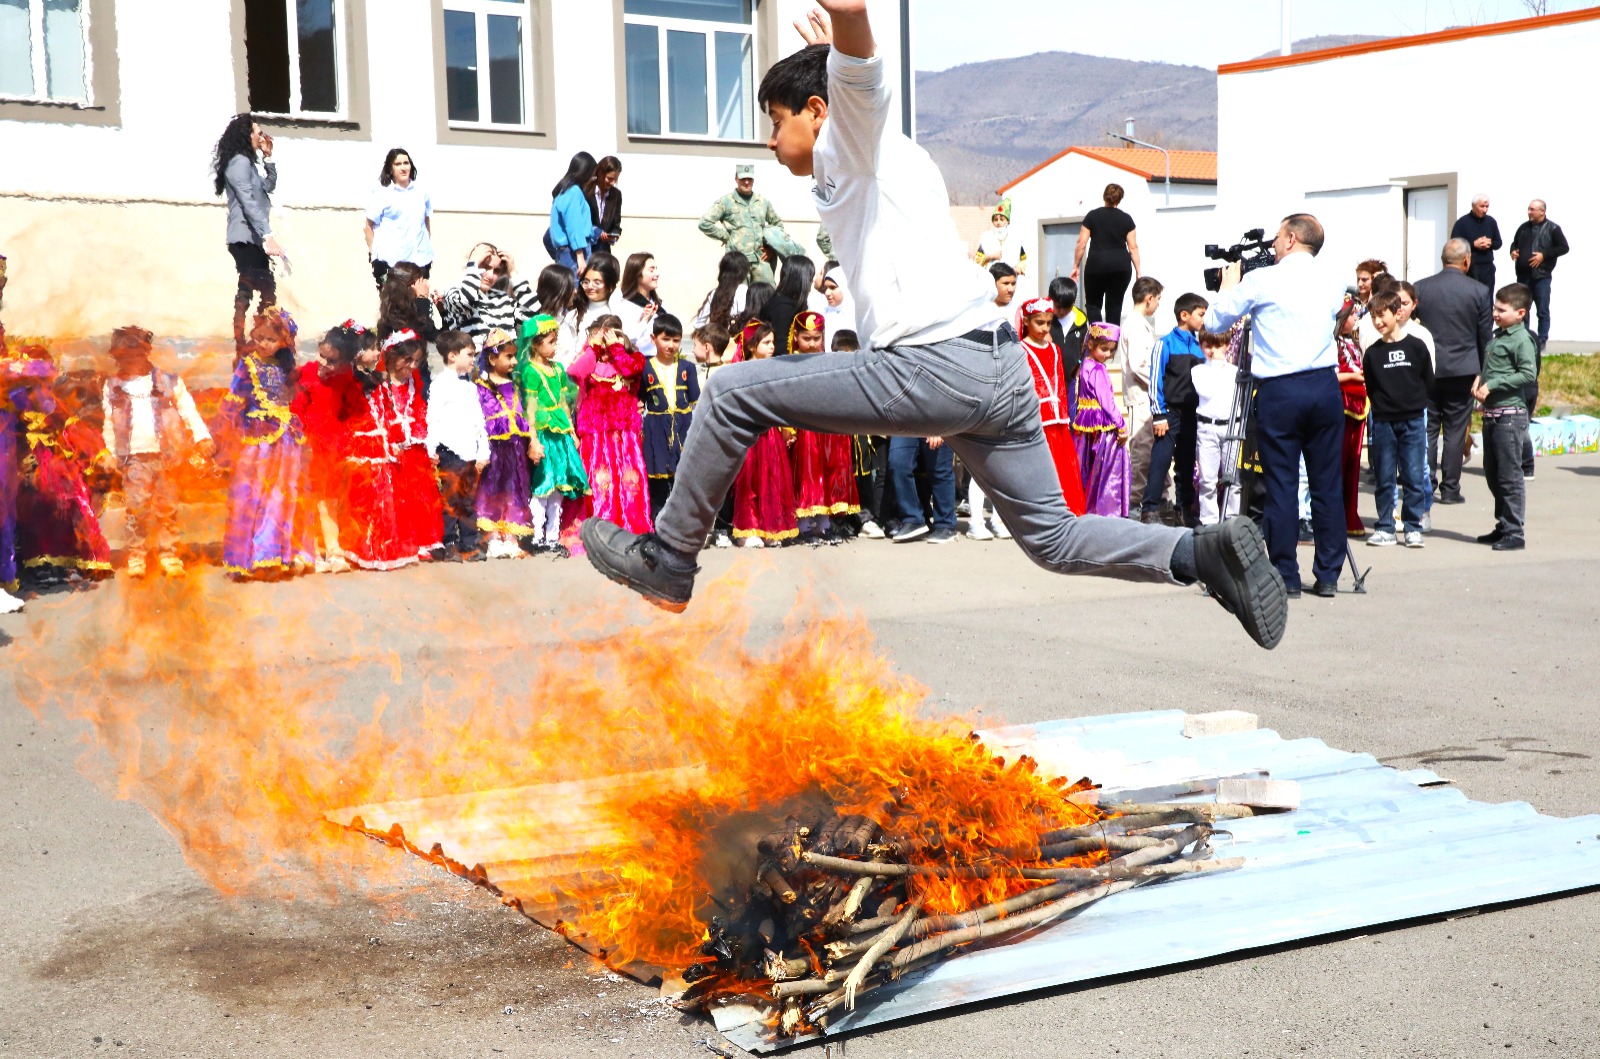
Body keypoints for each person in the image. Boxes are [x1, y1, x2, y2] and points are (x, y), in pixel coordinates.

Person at [580, 2, 1286, 653]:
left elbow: (860, 67)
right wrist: (830, 52)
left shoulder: (857, 136)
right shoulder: (867, 150)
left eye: (774, 121)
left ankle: (669, 559)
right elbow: (846, 80)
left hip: (934, 364)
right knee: (1054, 539)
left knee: (732, 392)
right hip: (999, 368)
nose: (768, 141)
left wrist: (849, 20)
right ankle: (1200, 553)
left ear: (817, 111)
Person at [1205, 213, 1347, 600]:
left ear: (1289, 239)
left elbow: (1217, 320)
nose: (1271, 247)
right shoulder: (1332, 279)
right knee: (1326, 483)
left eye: (1276, 238)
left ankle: (1285, 574)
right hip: (1323, 384)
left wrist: (1228, 286)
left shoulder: (1262, 279)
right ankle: (1329, 574)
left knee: (1282, 484)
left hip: (1280, 389)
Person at [100, 326, 216, 578]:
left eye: (135, 354)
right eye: (124, 356)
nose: (130, 360)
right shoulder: (113, 386)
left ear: (146, 352)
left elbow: (189, 411)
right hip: (134, 457)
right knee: (137, 508)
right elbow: (108, 422)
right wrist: (109, 452)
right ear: (117, 358)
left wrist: (202, 437)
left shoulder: (170, 381)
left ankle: (168, 553)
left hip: (168, 456)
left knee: (167, 508)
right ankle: (137, 555)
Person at [9, 341, 113, 584]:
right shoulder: (14, 402)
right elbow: (11, 434)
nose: (40, 386)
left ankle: (74, 559)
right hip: (26, 459)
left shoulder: (51, 401)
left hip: (55, 459)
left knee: (71, 497)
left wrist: (97, 452)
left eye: (44, 379)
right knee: (36, 501)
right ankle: (42, 561)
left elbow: (71, 426)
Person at [221, 307, 314, 580]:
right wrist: (223, 440)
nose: (264, 343)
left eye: (271, 340)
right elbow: (232, 404)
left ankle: (273, 556)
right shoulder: (246, 366)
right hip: (258, 442)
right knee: (252, 495)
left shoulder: (285, 369)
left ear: (283, 343)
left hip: (286, 441)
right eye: (259, 337)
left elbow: (294, 401)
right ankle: (248, 559)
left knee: (281, 495)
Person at [1413, 238, 1492, 506]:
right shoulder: (1479, 291)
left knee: (1428, 428)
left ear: (1442, 259)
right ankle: (1450, 489)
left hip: (1429, 369)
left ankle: (1426, 484)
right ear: (1467, 260)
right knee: (1457, 430)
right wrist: (1483, 371)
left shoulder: (1421, 288)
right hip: (1463, 369)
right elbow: (1485, 336)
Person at [289, 321, 364, 573]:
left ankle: (333, 548)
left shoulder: (346, 382)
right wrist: (299, 437)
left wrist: (347, 440)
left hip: (333, 446)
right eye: (322, 356)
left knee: (330, 499)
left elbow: (355, 413)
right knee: (307, 497)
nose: (324, 364)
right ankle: (307, 549)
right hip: (308, 445)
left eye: (332, 361)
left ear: (346, 363)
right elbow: (296, 407)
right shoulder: (307, 374)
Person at [1361, 290, 1433, 549]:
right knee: (1384, 476)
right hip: (1383, 423)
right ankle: (1385, 527)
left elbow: (1428, 380)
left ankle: (1413, 527)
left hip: (1413, 420)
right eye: (1373, 317)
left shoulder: (1416, 346)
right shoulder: (1372, 354)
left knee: (1413, 476)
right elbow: (1371, 386)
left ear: (1397, 313)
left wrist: (1414, 405)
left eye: (1382, 315)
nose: (1378, 321)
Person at [570, 316, 651, 535]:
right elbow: (575, 372)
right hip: (596, 434)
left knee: (628, 481)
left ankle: (628, 525)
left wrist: (616, 346)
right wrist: (592, 348)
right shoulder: (591, 359)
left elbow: (630, 370)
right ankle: (598, 527)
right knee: (599, 481)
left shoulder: (633, 357)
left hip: (625, 433)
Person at [1474, 284, 1539, 552]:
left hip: (1509, 417)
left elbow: (1527, 374)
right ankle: (1503, 524)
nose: (1495, 313)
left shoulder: (1521, 340)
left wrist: (1494, 384)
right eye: (1495, 308)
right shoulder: (1498, 336)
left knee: (1510, 477)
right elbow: (1492, 368)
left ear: (1520, 313)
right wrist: (1480, 381)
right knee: (1492, 473)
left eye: (1502, 309)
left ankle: (1515, 532)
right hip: (1492, 414)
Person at [785, 310, 859, 539]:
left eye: (817, 338)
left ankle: (824, 523)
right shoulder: (788, 363)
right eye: (807, 338)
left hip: (826, 428)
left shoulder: (828, 360)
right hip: (803, 428)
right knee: (806, 477)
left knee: (827, 474)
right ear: (796, 336)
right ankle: (805, 524)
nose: (812, 343)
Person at [519, 314, 589, 556]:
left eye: (555, 341)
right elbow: (530, 406)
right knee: (543, 484)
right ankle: (536, 535)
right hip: (544, 432)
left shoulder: (558, 369)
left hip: (560, 432)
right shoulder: (531, 371)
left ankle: (552, 535)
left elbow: (562, 401)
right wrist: (534, 439)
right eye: (549, 341)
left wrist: (571, 430)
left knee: (559, 484)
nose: (554, 346)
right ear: (535, 344)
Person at [213, 113, 282, 354]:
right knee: (258, 286)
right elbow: (248, 202)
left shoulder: (248, 163)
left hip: (253, 238)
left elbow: (268, 187)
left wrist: (268, 158)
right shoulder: (238, 163)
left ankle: (257, 337)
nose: (261, 136)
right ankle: (244, 340)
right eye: (257, 132)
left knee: (261, 287)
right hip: (244, 237)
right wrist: (268, 235)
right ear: (246, 135)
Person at [728, 323, 797, 547]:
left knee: (771, 480)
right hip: (749, 433)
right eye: (766, 342)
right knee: (748, 483)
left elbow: (781, 402)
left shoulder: (774, 368)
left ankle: (770, 528)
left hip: (770, 434)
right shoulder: (740, 370)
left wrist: (787, 427)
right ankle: (748, 529)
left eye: (773, 342)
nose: (772, 347)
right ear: (752, 345)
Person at [1017, 296, 1086, 519]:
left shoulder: (1055, 350)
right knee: (1042, 467)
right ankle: (1041, 511)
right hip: (1037, 418)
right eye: (1040, 323)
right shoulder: (1021, 350)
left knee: (1064, 467)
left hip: (1058, 419)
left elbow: (1062, 385)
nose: (1045, 328)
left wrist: (1065, 413)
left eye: (1048, 323)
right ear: (1026, 321)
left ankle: (1064, 509)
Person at [1141, 293, 1206, 526]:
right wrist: (1159, 415)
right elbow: (1155, 379)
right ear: (1184, 315)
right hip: (1168, 414)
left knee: (1187, 463)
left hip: (1192, 415)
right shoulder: (1165, 344)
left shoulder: (1200, 348)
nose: (1203, 319)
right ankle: (1149, 509)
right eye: (1200, 314)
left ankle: (1184, 510)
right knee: (1161, 460)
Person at [379, 330, 444, 561]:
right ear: (391, 355)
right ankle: (405, 541)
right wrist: (390, 441)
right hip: (393, 449)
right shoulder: (382, 383)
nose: (412, 366)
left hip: (414, 448)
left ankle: (424, 539)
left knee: (421, 495)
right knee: (399, 497)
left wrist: (427, 443)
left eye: (416, 361)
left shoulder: (413, 383)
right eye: (408, 360)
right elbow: (381, 414)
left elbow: (419, 411)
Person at [426, 330, 490, 562]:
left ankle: (469, 543)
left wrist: (483, 450)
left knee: (467, 501)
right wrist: (430, 447)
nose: (474, 359)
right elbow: (433, 418)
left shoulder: (470, 387)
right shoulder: (440, 383)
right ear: (452, 355)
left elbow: (478, 421)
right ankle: (449, 542)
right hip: (450, 451)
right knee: (451, 499)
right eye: (470, 354)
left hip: (469, 454)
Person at [471, 329, 535, 559]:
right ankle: (493, 536)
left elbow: (525, 412)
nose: (514, 361)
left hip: (515, 447)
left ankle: (511, 534)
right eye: (508, 356)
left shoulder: (515, 384)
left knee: (513, 488)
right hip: (494, 448)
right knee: (493, 488)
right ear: (492, 358)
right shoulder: (480, 386)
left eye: (515, 356)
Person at [641, 313, 700, 522]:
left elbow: (695, 400)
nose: (671, 345)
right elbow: (639, 400)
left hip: (683, 426)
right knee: (657, 476)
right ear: (653, 338)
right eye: (666, 339)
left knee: (682, 476)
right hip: (656, 427)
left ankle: (682, 523)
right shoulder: (644, 367)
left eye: (676, 340)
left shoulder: (687, 368)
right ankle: (657, 522)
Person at [699, 164, 795, 286]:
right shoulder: (726, 202)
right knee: (737, 296)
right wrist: (727, 237)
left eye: (749, 179)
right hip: (737, 261)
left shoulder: (762, 202)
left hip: (760, 260)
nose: (746, 182)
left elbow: (778, 225)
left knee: (767, 296)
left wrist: (771, 248)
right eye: (743, 179)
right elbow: (704, 223)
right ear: (736, 179)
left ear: (753, 180)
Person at [1071, 321, 1130, 517]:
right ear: (1090, 345)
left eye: (1111, 351)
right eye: (1104, 349)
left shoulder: (1084, 365)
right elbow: (1107, 403)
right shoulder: (1097, 370)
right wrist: (1121, 426)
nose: (1107, 355)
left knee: (1086, 469)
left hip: (1084, 425)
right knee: (1106, 472)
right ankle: (1106, 511)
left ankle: (1085, 508)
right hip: (1102, 427)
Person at [1119, 276, 1164, 511]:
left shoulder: (1139, 323)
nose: (1157, 304)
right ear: (1148, 299)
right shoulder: (1135, 325)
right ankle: (1136, 502)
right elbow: (1138, 365)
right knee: (1141, 450)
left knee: (1153, 449)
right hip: (1141, 396)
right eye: (1157, 300)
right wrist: (1160, 382)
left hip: (1147, 396)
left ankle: (1159, 498)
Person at [439, 244, 537, 351]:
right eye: (485, 267)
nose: (490, 276)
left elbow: (533, 316)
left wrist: (513, 272)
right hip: (473, 365)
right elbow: (466, 300)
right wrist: (472, 265)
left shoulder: (503, 299)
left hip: (506, 364)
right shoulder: (454, 293)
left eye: (496, 271)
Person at [1190, 329, 1243, 526]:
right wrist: (1215, 364)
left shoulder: (1235, 371)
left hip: (1232, 427)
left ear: (1227, 345)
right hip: (1207, 428)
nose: (1213, 350)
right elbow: (1207, 391)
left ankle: (1231, 519)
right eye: (1208, 346)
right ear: (1201, 346)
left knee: (1233, 479)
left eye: (1218, 345)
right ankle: (1209, 521)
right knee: (1207, 479)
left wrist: (1222, 365)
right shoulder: (1199, 370)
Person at [365, 147, 434, 289]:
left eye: (406, 163)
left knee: (420, 307)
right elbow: (368, 227)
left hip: (421, 262)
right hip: (394, 265)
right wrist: (375, 256)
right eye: (397, 164)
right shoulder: (382, 195)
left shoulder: (421, 194)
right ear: (391, 169)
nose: (403, 168)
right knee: (396, 309)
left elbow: (426, 224)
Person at [1072, 184, 1139, 326]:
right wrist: (1139, 272)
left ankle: (1098, 340)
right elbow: (1133, 247)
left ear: (1104, 196)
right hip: (1121, 267)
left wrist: (1076, 266)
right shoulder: (1127, 219)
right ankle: (1111, 344)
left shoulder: (1092, 216)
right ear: (1119, 200)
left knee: (1093, 305)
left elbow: (1081, 243)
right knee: (1114, 306)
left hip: (1097, 266)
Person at [1510, 199, 1568, 352]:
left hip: (1541, 276)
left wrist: (1544, 255)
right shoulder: (1523, 228)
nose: (1529, 212)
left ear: (1542, 211)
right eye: (1528, 209)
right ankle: (1524, 338)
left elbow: (1564, 247)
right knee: (1522, 309)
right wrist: (1513, 251)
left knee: (1542, 309)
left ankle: (1542, 339)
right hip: (1523, 276)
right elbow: (1514, 243)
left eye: (1532, 209)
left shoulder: (1553, 228)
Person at [1332, 300, 1368, 538]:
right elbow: (1333, 376)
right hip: (1341, 404)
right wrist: (1356, 376)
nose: (1356, 319)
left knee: (1352, 464)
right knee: (1339, 462)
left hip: (1359, 405)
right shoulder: (1330, 344)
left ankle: (1349, 515)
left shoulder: (1353, 343)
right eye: (1352, 315)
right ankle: (1335, 517)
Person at [546, 152, 598, 275]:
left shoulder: (564, 190)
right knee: (574, 289)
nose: (592, 179)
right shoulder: (573, 192)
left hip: (568, 250)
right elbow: (574, 225)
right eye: (592, 175)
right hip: (574, 251)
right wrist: (580, 255)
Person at [1450, 196, 1501, 291]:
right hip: (1469, 267)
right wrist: (1473, 244)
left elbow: (1498, 243)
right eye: (1482, 206)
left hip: (1487, 267)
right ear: (1473, 206)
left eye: (1487, 206)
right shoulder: (1462, 222)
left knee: (1487, 297)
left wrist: (1490, 243)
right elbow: (1454, 244)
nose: (1485, 210)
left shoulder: (1491, 221)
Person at [693, 250, 751, 332]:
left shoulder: (715, 292)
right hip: (735, 341)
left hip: (717, 341)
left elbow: (698, 323)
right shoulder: (742, 290)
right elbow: (744, 318)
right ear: (743, 271)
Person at [975, 197, 1027, 273]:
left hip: (1010, 278)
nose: (998, 222)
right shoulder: (986, 238)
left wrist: (1019, 269)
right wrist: (990, 256)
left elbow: (1024, 259)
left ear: (1008, 221)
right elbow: (977, 260)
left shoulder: (1016, 238)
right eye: (996, 220)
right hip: (991, 277)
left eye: (1002, 219)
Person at [588, 156, 624, 254]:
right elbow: (581, 222)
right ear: (600, 173)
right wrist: (597, 232)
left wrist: (614, 235)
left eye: (616, 179)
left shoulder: (616, 195)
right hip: (586, 250)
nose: (613, 183)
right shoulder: (586, 192)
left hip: (604, 253)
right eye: (609, 178)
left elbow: (616, 225)